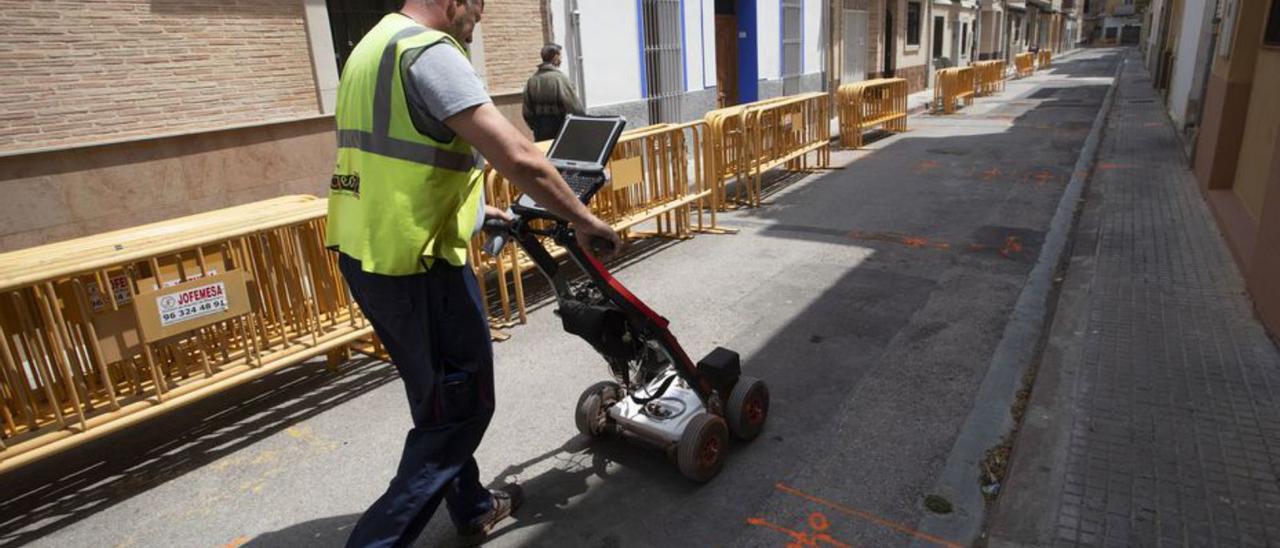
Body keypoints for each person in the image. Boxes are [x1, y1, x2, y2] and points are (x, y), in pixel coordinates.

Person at [324, 1, 622, 546]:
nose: (480, 15)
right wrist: (581, 219)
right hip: (420, 263)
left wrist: (474, 210)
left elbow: (395, 158)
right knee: (460, 409)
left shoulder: (371, 47)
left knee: (437, 395)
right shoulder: (431, 53)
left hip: (369, 252)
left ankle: (473, 505)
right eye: (479, 3)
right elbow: (521, 159)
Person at [521, 43, 585, 141]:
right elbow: (575, 108)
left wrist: (536, 127)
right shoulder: (560, 79)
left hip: (540, 133)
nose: (561, 60)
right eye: (560, 56)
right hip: (561, 131)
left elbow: (527, 112)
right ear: (555, 57)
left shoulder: (532, 81)